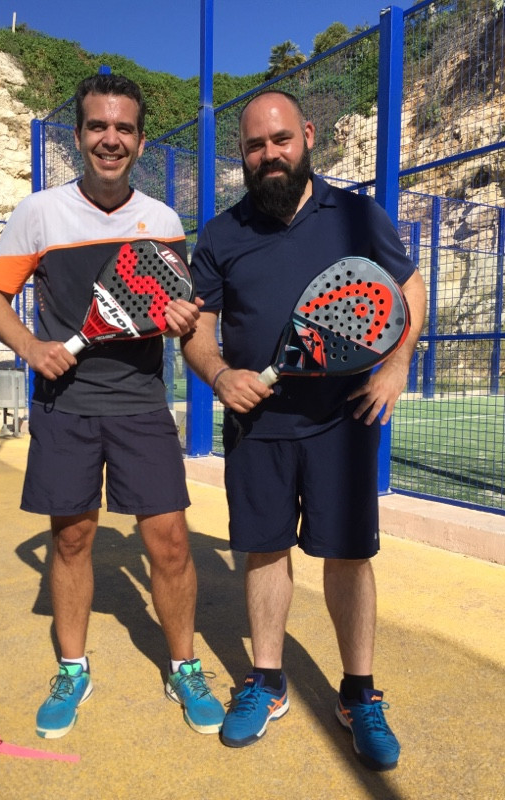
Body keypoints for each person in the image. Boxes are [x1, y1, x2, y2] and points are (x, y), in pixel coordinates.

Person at [181, 90, 426, 770]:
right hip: (257, 426)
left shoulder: (356, 214)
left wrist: (397, 364)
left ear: (308, 136)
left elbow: (407, 289)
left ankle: (359, 693)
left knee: (348, 556)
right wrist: (219, 374)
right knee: (263, 552)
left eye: (281, 139)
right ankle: (267, 683)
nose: (270, 154)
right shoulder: (221, 233)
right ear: (243, 154)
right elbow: (199, 328)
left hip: (343, 421)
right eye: (256, 145)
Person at [0, 73, 224, 740]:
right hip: (67, 405)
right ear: (79, 135)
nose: (110, 139)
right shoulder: (38, 213)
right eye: (97, 126)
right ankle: (73, 668)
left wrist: (178, 319)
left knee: (170, 544)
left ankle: (184, 666)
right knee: (73, 538)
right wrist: (31, 347)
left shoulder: (162, 221)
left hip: (141, 404)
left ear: (140, 141)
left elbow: (169, 302)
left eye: (123, 128)